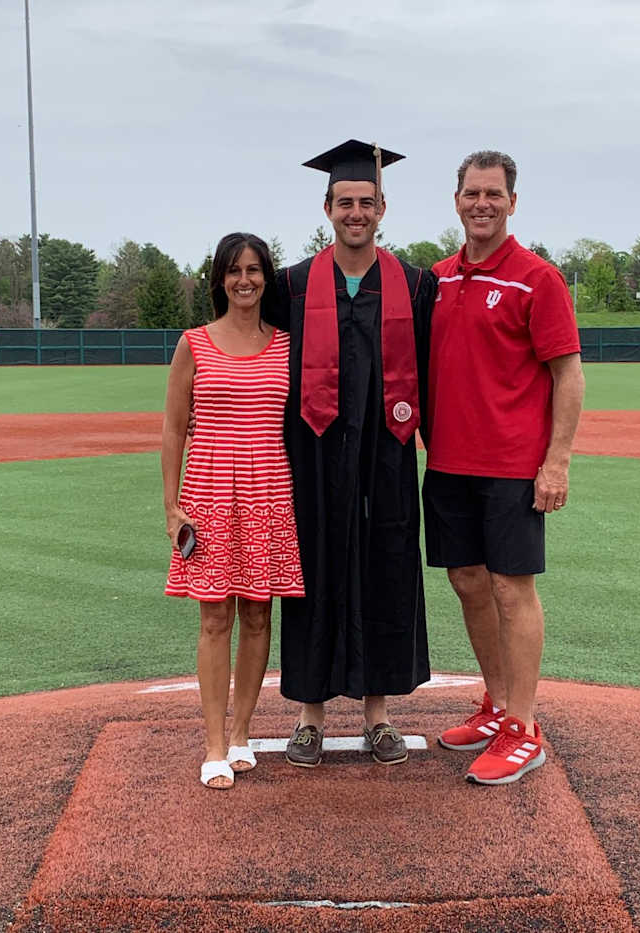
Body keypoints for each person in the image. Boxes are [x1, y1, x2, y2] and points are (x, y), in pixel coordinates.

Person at [262, 140, 437, 768]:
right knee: (311, 569)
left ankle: (378, 714)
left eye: (367, 202)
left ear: (382, 208)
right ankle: (309, 717)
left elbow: (434, 370)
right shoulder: (290, 285)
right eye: (345, 202)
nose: (356, 212)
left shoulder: (415, 284)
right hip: (313, 455)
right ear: (327, 208)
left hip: (387, 453)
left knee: (387, 565)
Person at [424, 150, 585, 785]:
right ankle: (495, 705)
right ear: (456, 201)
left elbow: (568, 375)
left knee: (512, 590)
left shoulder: (538, 279)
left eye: (494, 193)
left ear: (512, 202)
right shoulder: (437, 279)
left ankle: (523, 726)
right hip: (448, 462)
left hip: (513, 466)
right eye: (472, 193)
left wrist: (557, 462)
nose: (482, 203)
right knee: (466, 579)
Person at [162, 232, 304, 789]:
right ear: (219, 280)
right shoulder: (193, 344)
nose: (244, 280)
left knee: (259, 616)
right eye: (233, 271)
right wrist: (172, 507)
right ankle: (214, 744)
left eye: (254, 270)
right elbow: (174, 430)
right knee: (215, 618)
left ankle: (242, 733)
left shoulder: (287, 345)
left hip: (269, 490)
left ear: (266, 277)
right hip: (209, 492)